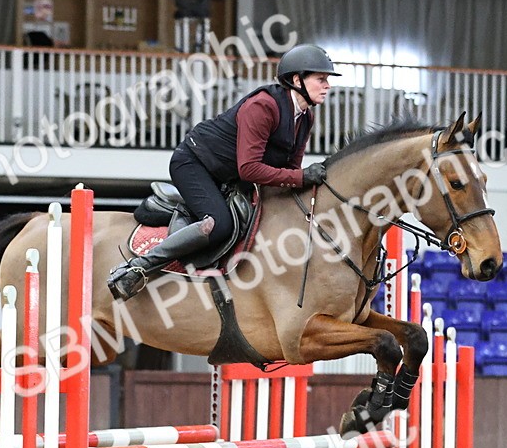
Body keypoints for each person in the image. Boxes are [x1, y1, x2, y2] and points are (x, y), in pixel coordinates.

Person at [107, 43, 341, 301]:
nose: (327, 86)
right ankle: (137, 268)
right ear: (297, 80)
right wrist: (300, 177)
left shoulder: (305, 117)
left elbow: (291, 169)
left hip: (227, 175)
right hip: (194, 163)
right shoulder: (263, 106)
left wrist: (301, 181)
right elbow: (249, 168)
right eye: (321, 79)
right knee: (219, 225)